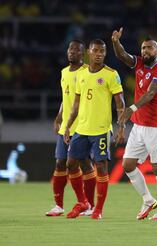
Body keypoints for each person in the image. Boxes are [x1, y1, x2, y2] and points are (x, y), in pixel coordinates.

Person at [112, 27, 157, 220]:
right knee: (128, 165)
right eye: (144, 48)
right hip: (139, 126)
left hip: (156, 126)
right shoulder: (138, 63)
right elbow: (122, 55)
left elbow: (151, 93)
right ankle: (147, 199)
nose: (146, 51)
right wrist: (115, 42)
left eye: (150, 48)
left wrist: (131, 109)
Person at [64, 39, 125, 220]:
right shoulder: (81, 75)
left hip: (101, 130)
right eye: (95, 50)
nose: (99, 54)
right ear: (88, 52)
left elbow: (120, 104)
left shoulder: (111, 74)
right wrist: (68, 126)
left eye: (102, 51)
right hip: (82, 129)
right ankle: (83, 202)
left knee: (101, 166)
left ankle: (98, 209)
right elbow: (75, 104)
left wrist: (121, 127)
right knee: (70, 164)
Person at [46, 40, 96, 217]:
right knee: (60, 163)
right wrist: (59, 117)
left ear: (83, 54)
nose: (72, 52)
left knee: (84, 163)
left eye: (77, 50)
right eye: (70, 49)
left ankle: (89, 205)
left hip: (81, 127)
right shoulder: (64, 72)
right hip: (65, 127)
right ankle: (58, 205)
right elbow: (65, 98)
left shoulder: (87, 72)